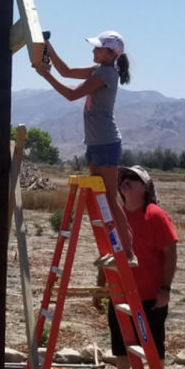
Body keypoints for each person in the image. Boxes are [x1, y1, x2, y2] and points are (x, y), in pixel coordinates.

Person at [34, 31, 133, 259]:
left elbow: (70, 94)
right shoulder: (99, 70)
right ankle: (113, 249)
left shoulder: (107, 74)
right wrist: (48, 46)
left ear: (110, 53)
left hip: (106, 143)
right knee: (102, 201)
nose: (93, 50)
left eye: (97, 48)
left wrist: (44, 75)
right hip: (96, 143)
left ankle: (127, 252)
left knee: (109, 199)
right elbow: (66, 71)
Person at [94, 165, 178, 369]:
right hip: (120, 294)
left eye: (133, 178)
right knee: (120, 345)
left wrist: (166, 288)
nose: (125, 181)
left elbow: (170, 251)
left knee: (153, 346)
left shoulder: (155, 215)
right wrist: (102, 287)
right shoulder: (116, 216)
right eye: (123, 177)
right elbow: (108, 253)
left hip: (150, 295)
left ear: (145, 187)